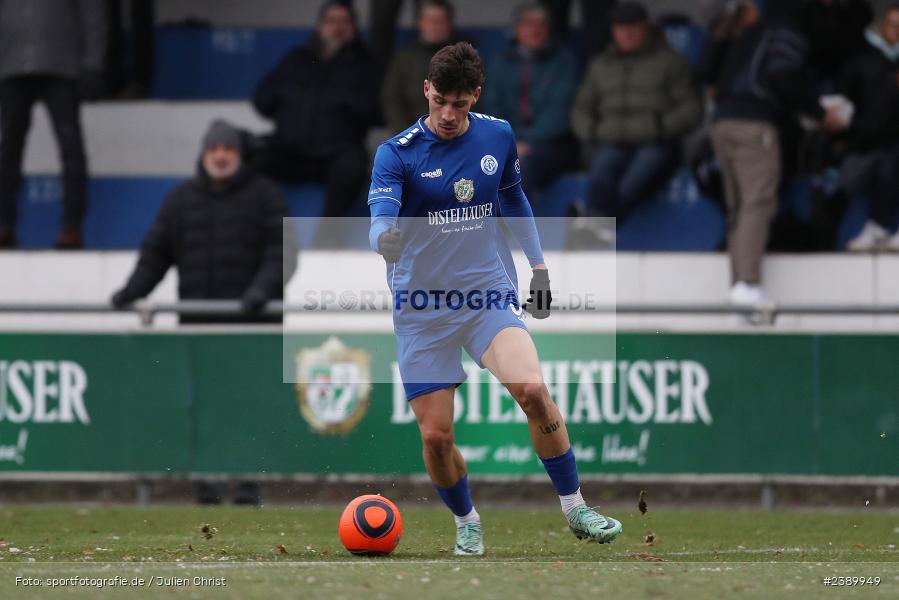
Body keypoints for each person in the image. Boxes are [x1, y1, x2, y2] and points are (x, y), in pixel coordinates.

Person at [367, 42, 622, 556]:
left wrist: (540, 267)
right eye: (439, 100)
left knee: (533, 391)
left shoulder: (498, 135)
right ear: (426, 90)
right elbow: (379, 219)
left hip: (486, 295)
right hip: (422, 310)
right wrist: (385, 239)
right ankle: (467, 519)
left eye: (458, 104)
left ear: (474, 97)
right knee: (437, 439)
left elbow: (512, 196)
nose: (447, 114)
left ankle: (576, 509)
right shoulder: (397, 153)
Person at [111, 119, 296, 505]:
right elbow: (155, 253)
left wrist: (260, 293)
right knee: (204, 408)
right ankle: (207, 485)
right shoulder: (180, 199)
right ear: (204, 153)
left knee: (249, 406)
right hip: (198, 329)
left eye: (227, 149)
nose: (221, 155)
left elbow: (282, 255)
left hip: (253, 328)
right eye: (214, 149)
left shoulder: (266, 196)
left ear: (240, 155)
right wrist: (130, 292)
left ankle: (248, 484)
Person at [697, 0, 845, 305]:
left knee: (738, 206)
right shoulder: (786, 30)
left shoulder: (751, 32)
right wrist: (819, 113)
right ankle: (747, 283)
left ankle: (739, 286)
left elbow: (705, 72)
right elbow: (783, 76)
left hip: (722, 123)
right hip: (754, 126)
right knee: (758, 203)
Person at [570, 1, 702, 240]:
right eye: (621, 27)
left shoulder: (670, 62)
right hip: (612, 141)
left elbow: (691, 109)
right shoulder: (600, 65)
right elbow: (580, 109)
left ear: (646, 29)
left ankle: (592, 221)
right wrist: (593, 130)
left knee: (633, 182)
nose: (628, 33)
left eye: (634, 27)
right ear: (613, 31)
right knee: (601, 173)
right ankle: (594, 223)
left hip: (655, 143)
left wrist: (661, 126)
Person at [253, 0, 378, 241]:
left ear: (353, 27)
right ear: (320, 26)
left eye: (344, 22)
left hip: (334, 154)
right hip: (289, 151)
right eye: (332, 22)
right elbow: (262, 100)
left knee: (353, 166)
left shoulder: (366, 64)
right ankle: (258, 232)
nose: (337, 28)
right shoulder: (297, 58)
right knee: (250, 165)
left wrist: (343, 102)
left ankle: (327, 236)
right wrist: (285, 98)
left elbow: (375, 111)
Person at [0, 0, 107, 249]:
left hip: (61, 65)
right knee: (9, 149)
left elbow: (92, 11)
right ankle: (4, 222)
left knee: (70, 147)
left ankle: (71, 226)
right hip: (12, 63)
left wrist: (94, 63)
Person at [485, 3, 580, 204]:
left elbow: (560, 113)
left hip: (552, 145)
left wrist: (527, 141)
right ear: (517, 29)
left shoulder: (563, 63)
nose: (535, 30)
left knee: (521, 168)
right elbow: (493, 108)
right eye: (529, 24)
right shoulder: (502, 64)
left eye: (541, 25)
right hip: (509, 143)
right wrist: (512, 142)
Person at [843, 2, 899, 251]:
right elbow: (843, 101)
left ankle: (877, 226)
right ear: (882, 26)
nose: (896, 31)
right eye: (893, 25)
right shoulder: (863, 61)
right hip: (864, 147)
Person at [381, 0, 461, 135]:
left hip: (455, 136)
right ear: (420, 23)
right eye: (429, 20)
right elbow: (392, 100)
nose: (434, 26)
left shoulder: (463, 59)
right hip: (412, 138)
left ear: (449, 24)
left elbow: (473, 101)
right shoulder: (404, 59)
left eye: (439, 21)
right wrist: (409, 135)